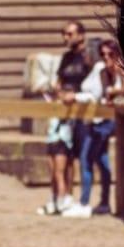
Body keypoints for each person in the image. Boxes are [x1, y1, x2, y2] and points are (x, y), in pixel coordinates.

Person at [63, 39, 124, 219]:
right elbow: (96, 94)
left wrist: (112, 94)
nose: (106, 58)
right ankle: (104, 203)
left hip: (116, 121)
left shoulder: (123, 71)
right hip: (99, 120)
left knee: (87, 158)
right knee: (101, 161)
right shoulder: (101, 71)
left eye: (110, 54)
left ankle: (85, 203)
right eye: (103, 54)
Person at [38, 21, 92, 216]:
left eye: (69, 34)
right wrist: (55, 91)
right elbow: (60, 81)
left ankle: (78, 200)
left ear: (81, 35)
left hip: (84, 112)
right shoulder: (66, 58)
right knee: (62, 155)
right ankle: (63, 197)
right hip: (64, 111)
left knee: (79, 158)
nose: (65, 38)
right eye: (64, 34)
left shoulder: (89, 56)